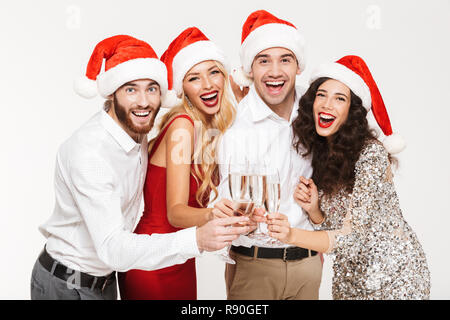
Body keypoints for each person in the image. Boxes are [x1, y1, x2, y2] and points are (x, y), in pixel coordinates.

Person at [31, 35, 251, 300]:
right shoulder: (90, 153)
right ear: (112, 92)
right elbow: (114, 245)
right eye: (131, 89)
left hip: (111, 275)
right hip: (69, 282)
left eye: (152, 88)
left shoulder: (137, 129)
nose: (144, 101)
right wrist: (199, 236)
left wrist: (243, 106)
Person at [267, 55, 431, 299]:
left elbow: (351, 239)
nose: (327, 104)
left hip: (396, 279)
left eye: (339, 98)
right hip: (350, 278)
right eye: (321, 95)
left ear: (352, 111)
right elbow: (337, 234)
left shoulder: (371, 154)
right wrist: (314, 210)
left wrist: (291, 235)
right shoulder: (324, 152)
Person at [118, 27, 246, 300]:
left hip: (181, 257)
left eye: (214, 72)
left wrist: (245, 106)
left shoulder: (208, 128)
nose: (208, 85)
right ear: (182, 88)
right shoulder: (182, 127)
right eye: (194, 78)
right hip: (153, 262)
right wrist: (215, 215)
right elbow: (175, 213)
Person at [216, 10, 323, 300]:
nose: (275, 71)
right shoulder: (232, 122)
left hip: (308, 263)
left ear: (298, 66)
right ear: (250, 68)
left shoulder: (317, 109)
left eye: (284, 59)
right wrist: (240, 218)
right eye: (264, 60)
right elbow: (223, 198)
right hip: (254, 265)